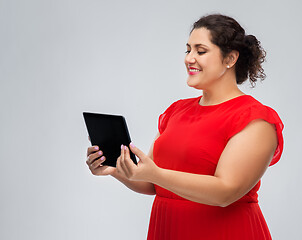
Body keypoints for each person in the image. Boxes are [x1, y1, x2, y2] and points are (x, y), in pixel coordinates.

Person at [86, 14, 284, 240]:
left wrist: (156, 174)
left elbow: (225, 192)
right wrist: (116, 170)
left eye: (200, 51)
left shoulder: (255, 119)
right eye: (188, 50)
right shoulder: (176, 111)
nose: (189, 58)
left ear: (230, 58)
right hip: (169, 229)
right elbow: (152, 183)